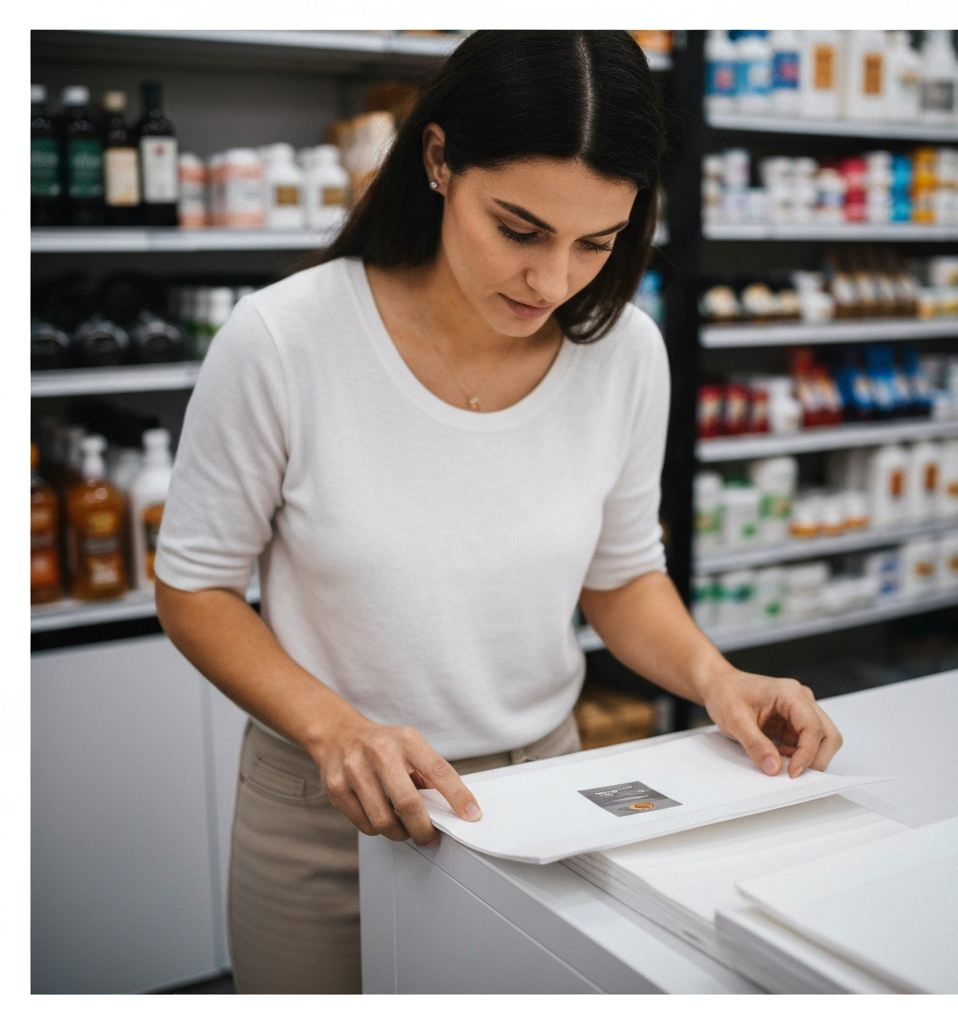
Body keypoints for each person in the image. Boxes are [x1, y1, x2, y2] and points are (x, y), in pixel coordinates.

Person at [155, 30, 842, 994]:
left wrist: (715, 677)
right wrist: (335, 731)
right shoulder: (284, 341)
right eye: (520, 229)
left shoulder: (626, 354)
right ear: (438, 161)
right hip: (325, 806)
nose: (554, 282)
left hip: (541, 795)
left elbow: (623, 575)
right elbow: (194, 588)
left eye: (596, 243)